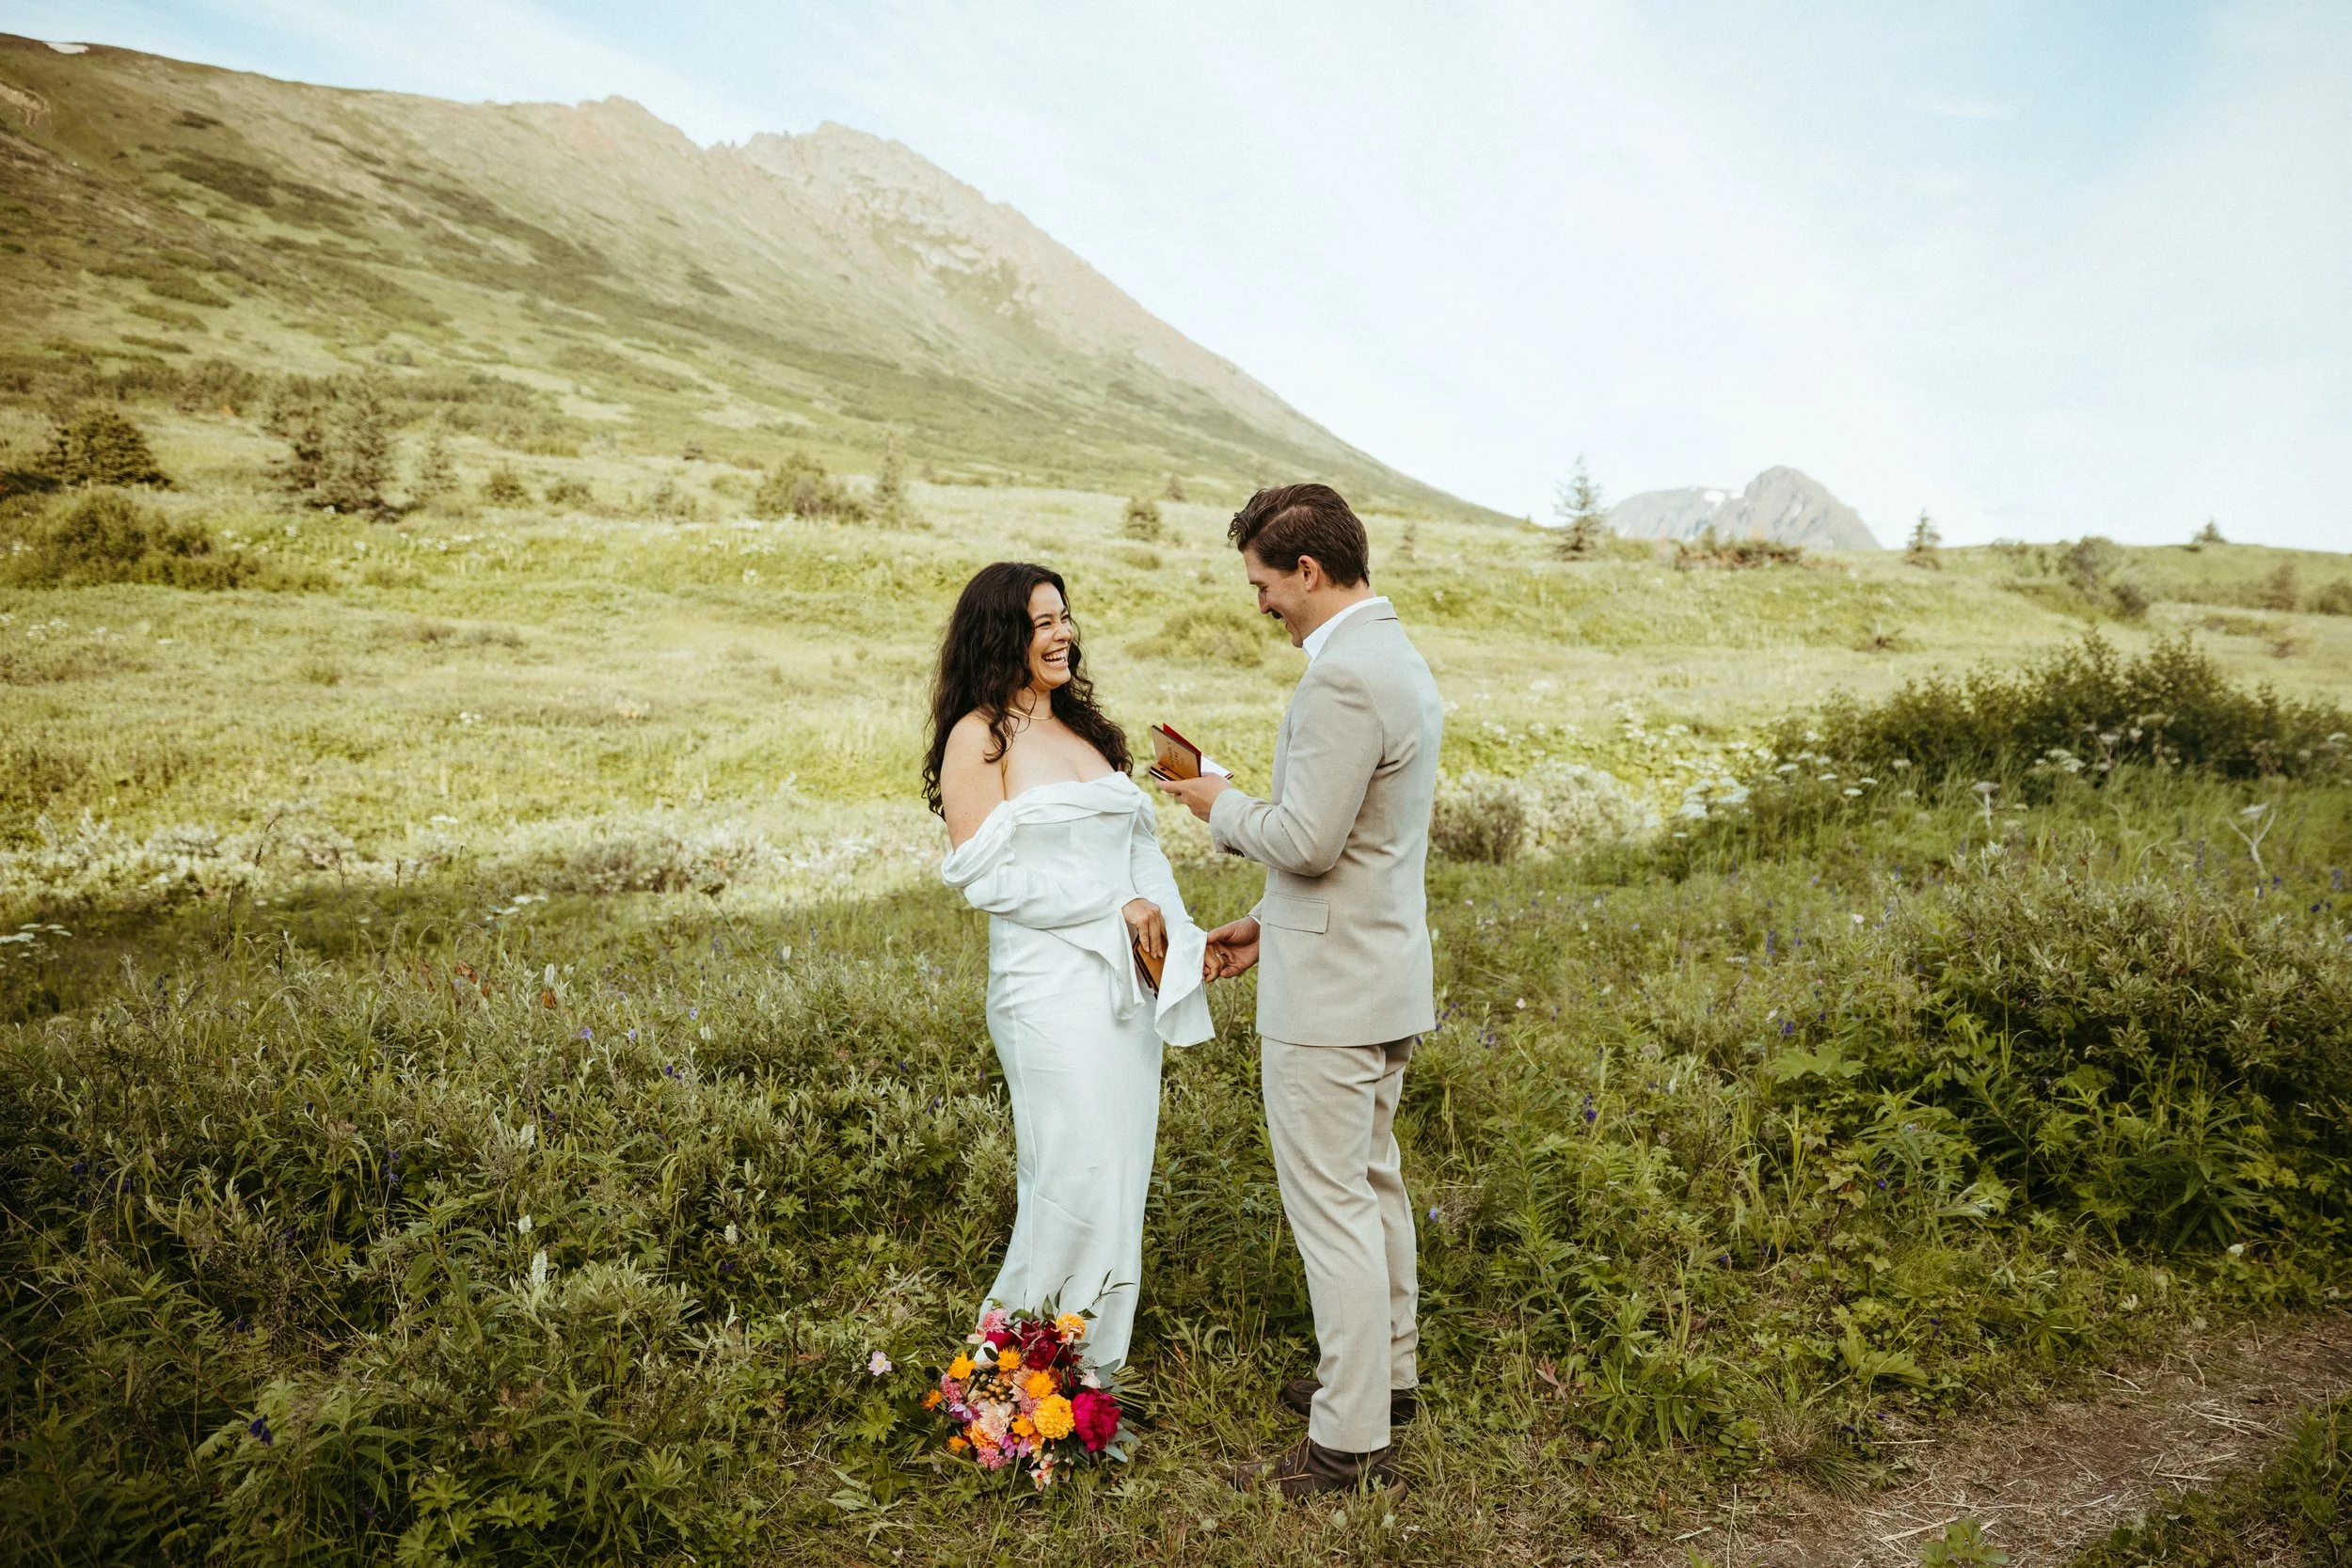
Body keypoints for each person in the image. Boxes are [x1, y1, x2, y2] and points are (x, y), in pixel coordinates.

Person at [1158, 483, 1441, 1498]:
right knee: (1370, 1183)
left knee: (1331, 1206)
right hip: (1376, 968)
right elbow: (1362, 846)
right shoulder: (1396, 656)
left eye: (1264, 584)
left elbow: (1311, 842)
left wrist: (1217, 804)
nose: (1261, 603)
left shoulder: (1341, 681)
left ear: (1308, 572)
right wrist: (1265, 924)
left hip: (1333, 1000)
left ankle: (1350, 1440)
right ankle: (1387, 1375)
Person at [927, 561, 1214, 1370]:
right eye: (1041, 622)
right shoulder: (980, 736)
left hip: (1122, 989)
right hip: (1048, 988)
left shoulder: (1089, 733)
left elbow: (1142, 858)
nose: (1062, 634)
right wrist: (1107, 906)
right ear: (1001, 634)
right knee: (1072, 1168)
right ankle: (1021, 1365)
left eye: (1065, 618)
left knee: (1119, 1170)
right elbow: (983, 875)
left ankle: (1093, 1369)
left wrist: (1185, 946)